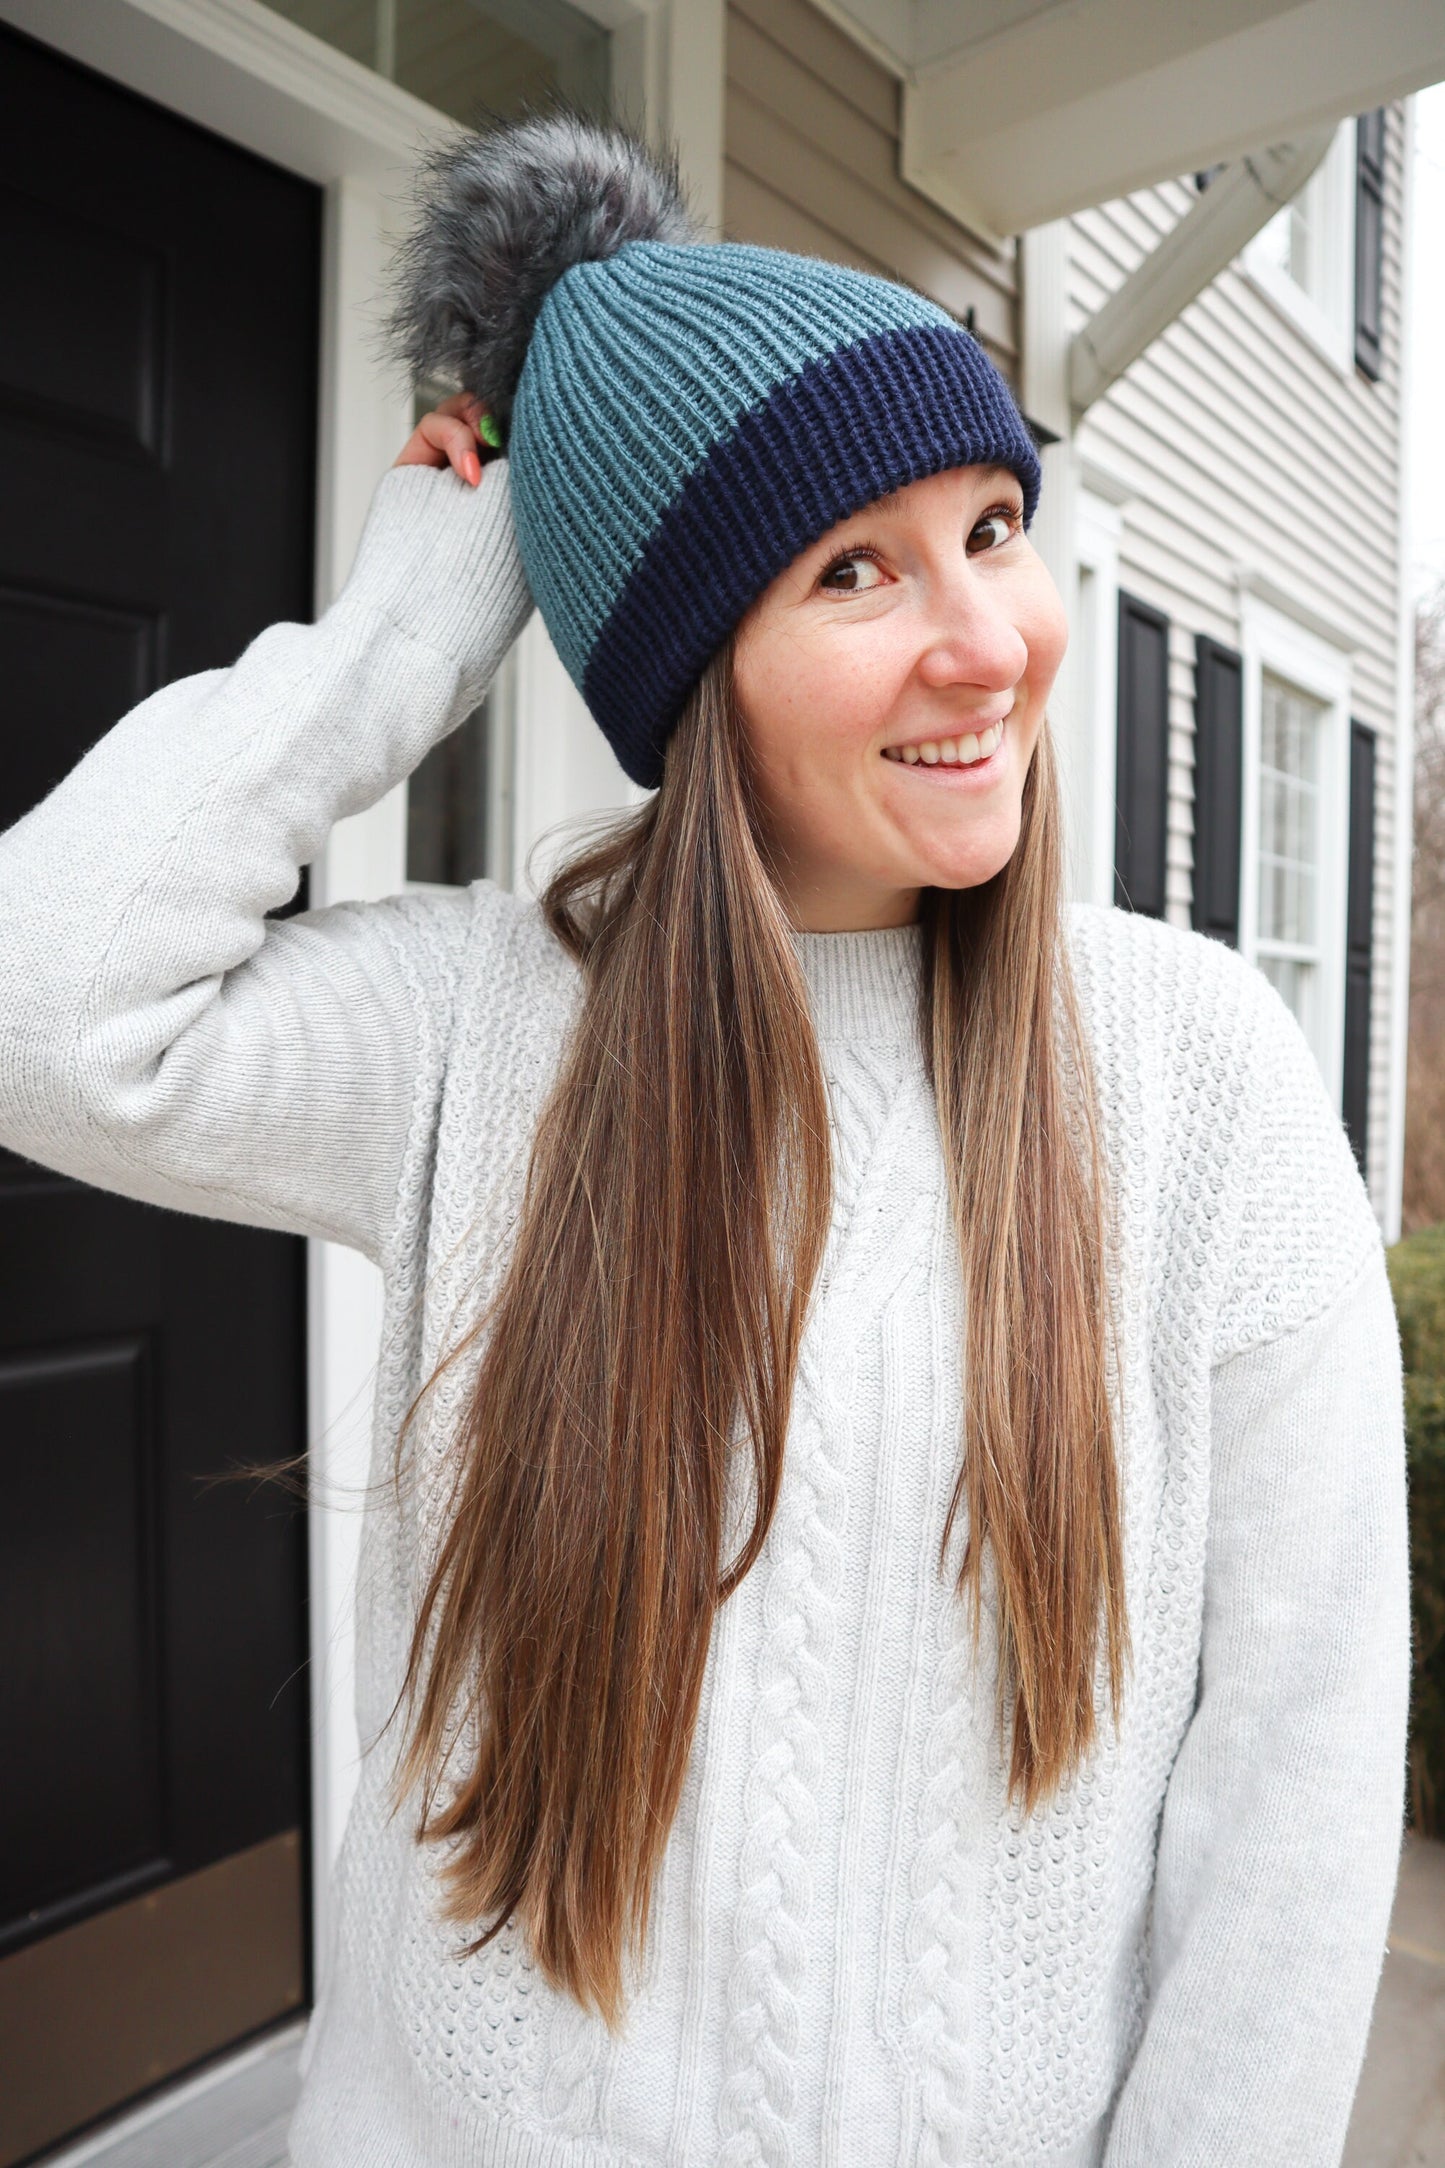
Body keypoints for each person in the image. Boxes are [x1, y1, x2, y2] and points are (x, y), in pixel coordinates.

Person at [0, 114, 1409, 2168]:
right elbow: (47, 1004)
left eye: (993, 527)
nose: (987, 641)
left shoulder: (1201, 1077)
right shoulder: (479, 1032)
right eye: (855, 568)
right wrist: (413, 628)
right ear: (691, 673)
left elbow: (1290, 1808)